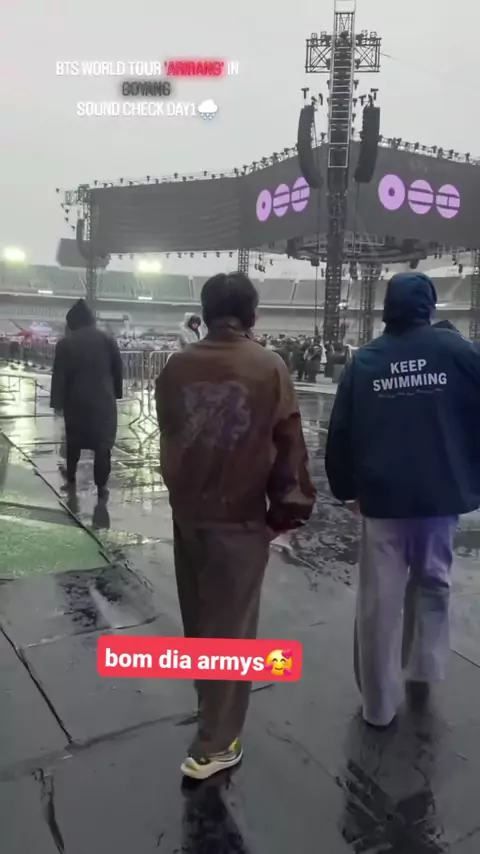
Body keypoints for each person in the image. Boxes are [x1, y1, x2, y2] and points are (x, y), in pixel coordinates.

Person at [155, 272, 316, 779]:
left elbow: (170, 435)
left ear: (205, 313)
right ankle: (214, 744)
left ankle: (210, 709)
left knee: (201, 619)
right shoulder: (268, 366)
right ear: (252, 314)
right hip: (240, 517)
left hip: (190, 514)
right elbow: (289, 446)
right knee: (231, 631)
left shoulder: (177, 366)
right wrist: (285, 514)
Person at [325, 271, 480, 729]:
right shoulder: (459, 352)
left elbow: (341, 431)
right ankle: (423, 670)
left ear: (387, 307)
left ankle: (378, 705)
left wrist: (347, 488)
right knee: (433, 583)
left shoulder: (367, 361)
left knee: (379, 603)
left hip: (383, 499)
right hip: (440, 496)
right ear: (428, 305)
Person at [50, 299, 123, 497]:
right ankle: (102, 486)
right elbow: (118, 369)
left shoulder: (65, 343)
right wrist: (117, 393)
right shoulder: (108, 339)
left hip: (75, 401)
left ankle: (71, 478)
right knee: (103, 445)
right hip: (103, 401)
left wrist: (57, 403)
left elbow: (59, 375)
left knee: (73, 441)